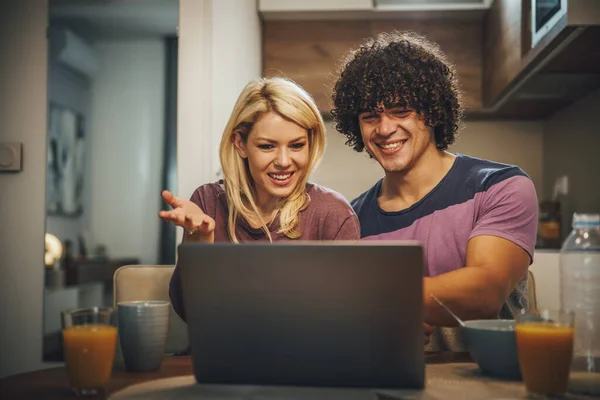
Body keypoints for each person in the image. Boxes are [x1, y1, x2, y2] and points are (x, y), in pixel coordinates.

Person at [330, 32, 538, 345]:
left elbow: (485, 293)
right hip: (395, 385)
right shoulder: (351, 219)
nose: (385, 129)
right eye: (370, 116)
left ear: (432, 111)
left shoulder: (501, 187)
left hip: (493, 384)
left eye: (401, 111)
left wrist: (382, 301)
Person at [161, 77, 361, 322]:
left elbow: (347, 317)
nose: (284, 161)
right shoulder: (208, 202)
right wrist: (198, 240)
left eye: (297, 145)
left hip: (308, 358)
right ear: (240, 144)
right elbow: (188, 311)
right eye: (268, 146)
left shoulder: (333, 213)